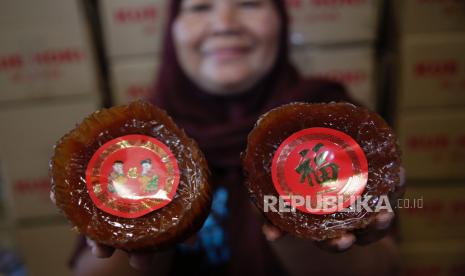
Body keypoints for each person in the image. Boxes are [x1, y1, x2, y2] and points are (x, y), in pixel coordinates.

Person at [61, 0, 405, 275]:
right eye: (199, 7)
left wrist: (304, 220)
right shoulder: (129, 138)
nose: (225, 23)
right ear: (171, 31)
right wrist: (144, 230)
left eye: (250, 4)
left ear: (281, 21)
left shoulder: (333, 128)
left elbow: (382, 266)